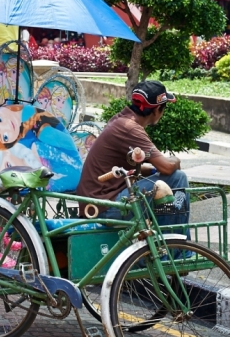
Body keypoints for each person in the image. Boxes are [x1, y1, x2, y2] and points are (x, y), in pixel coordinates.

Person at [75, 80, 188, 230]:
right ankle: (176, 247)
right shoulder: (130, 128)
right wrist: (174, 159)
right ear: (157, 110)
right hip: (104, 207)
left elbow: (133, 168)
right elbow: (167, 168)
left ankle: (166, 241)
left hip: (98, 202)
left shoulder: (121, 120)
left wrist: (154, 170)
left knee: (165, 190)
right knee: (177, 178)